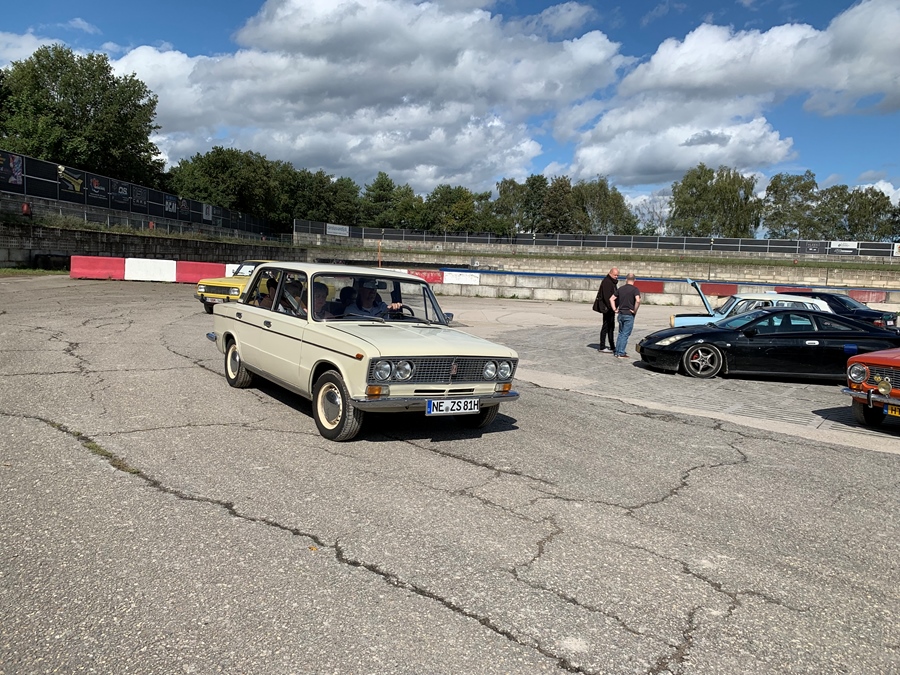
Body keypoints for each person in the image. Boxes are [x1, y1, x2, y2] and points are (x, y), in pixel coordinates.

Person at [609, 272, 641, 359]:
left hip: (621, 313)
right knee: (625, 334)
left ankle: (617, 351)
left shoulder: (621, 289)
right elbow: (638, 300)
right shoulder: (635, 290)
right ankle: (621, 352)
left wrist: (615, 309)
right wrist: (634, 310)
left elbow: (611, 299)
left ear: (626, 279)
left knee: (621, 333)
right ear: (634, 280)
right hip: (629, 314)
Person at [595, 267, 618, 353]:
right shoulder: (607, 282)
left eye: (617, 275)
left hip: (611, 308)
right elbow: (607, 297)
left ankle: (612, 346)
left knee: (611, 327)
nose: (616, 277)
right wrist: (612, 307)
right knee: (606, 327)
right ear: (610, 273)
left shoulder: (612, 282)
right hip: (607, 309)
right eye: (615, 275)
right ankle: (602, 346)